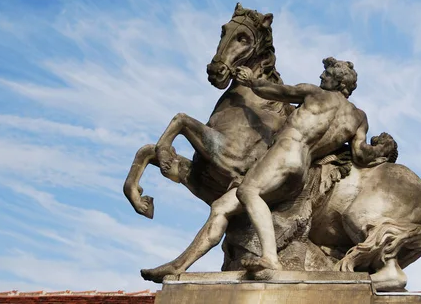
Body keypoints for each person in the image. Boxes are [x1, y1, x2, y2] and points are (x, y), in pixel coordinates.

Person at [140, 57, 395, 281]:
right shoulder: (359, 117)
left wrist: (250, 81)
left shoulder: (314, 93)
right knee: (221, 207)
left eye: (326, 74)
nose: (321, 76)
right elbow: (361, 153)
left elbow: (273, 91)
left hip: (283, 154)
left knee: (247, 192)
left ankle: (270, 258)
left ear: (338, 81)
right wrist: (381, 152)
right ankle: (177, 266)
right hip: (302, 171)